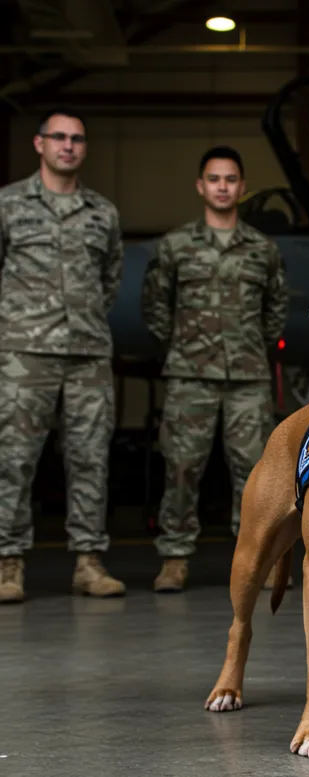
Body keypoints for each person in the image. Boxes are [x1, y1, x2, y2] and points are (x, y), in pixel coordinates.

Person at [141, 146, 288, 592]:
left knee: (255, 473)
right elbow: (155, 306)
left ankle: (257, 558)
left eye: (230, 179)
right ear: (200, 186)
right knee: (182, 466)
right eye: (214, 179)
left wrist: (250, 349)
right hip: (190, 376)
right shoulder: (176, 246)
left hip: (247, 377)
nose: (222, 187)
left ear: (241, 187)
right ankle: (174, 557)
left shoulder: (262, 249)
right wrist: (184, 348)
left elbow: (275, 310)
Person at [0, 107, 126, 603]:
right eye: (59, 137)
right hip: (24, 353)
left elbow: (110, 279)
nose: (68, 145)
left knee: (91, 458)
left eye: (76, 138)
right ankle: (7, 564)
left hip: (87, 354)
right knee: (13, 459)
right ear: (40, 144)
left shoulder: (102, 212)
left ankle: (89, 563)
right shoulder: (9, 204)